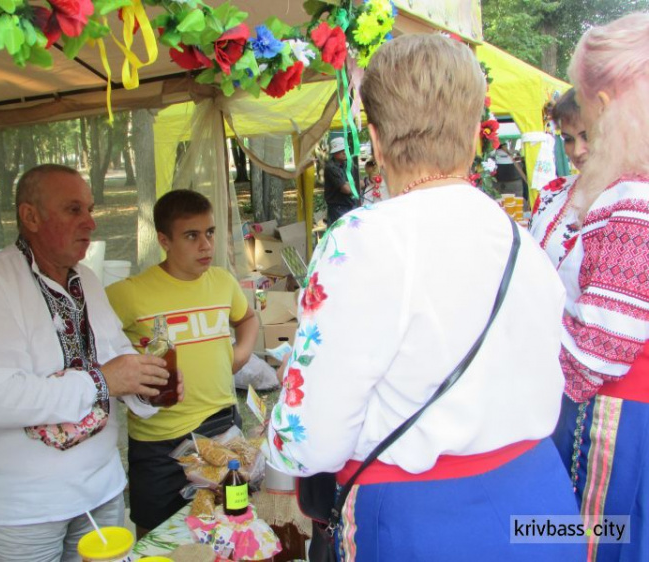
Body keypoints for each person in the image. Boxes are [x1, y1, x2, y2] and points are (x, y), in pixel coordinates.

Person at [267, 34, 582, 561]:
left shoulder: (363, 237)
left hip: (429, 521)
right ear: (473, 135)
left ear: (375, 138)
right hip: (542, 498)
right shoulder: (520, 237)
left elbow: (312, 439)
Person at [0, 164, 179, 562]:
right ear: (30, 216)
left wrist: (148, 387)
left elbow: (113, 358)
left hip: (101, 490)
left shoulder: (86, 278)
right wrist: (103, 381)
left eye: (89, 209)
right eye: (74, 210)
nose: (90, 222)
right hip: (22, 510)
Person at [550, 13, 649, 561]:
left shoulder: (631, 198)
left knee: (592, 540)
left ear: (607, 107)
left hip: (610, 418)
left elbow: (601, 351)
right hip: (618, 408)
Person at [106, 189, 259, 538]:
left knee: (225, 522)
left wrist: (241, 355)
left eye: (210, 233)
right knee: (156, 532)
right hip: (159, 439)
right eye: (191, 236)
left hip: (221, 424)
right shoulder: (128, 294)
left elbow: (247, 318)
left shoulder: (222, 281)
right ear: (164, 240)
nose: (205, 245)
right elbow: (96, 349)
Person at [530, 88, 590, 267]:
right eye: (568, 139)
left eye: (587, 136)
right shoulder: (552, 193)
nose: (577, 151)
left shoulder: (633, 199)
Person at [323, 136, 358, 225]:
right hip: (337, 209)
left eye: (345, 149)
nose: (344, 152)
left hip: (350, 205)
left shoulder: (349, 165)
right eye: (340, 150)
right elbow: (346, 189)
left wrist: (351, 184)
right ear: (334, 153)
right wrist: (353, 184)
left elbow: (358, 182)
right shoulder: (331, 167)